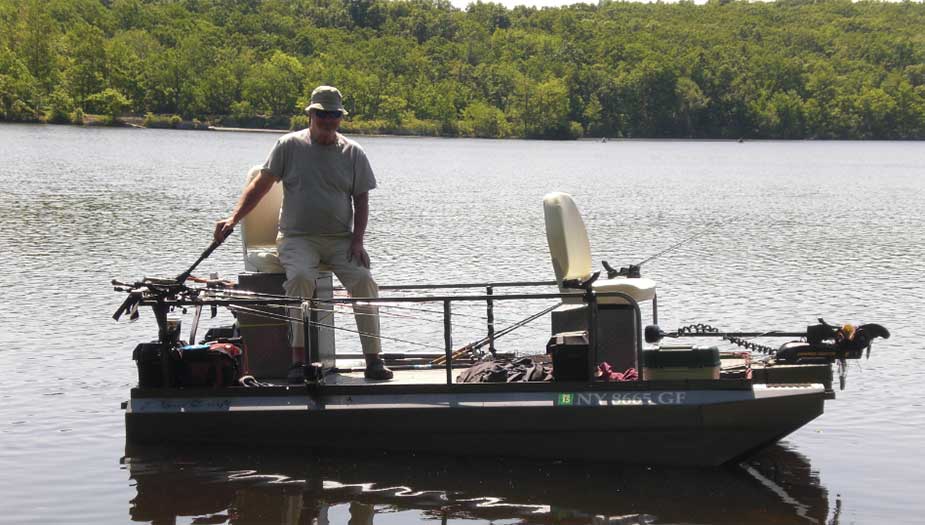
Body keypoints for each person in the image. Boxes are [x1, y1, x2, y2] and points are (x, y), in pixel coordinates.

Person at [214, 85, 392, 381]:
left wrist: (358, 240)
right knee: (299, 279)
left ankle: (373, 359)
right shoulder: (288, 146)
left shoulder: (353, 153)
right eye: (322, 114)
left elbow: (361, 200)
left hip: (340, 240)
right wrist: (232, 218)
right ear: (311, 114)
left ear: (340, 117)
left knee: (363, 280)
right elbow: (261, 185)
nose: (328, 120)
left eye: (334, 115)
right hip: (297, 237)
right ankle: (298, 360)